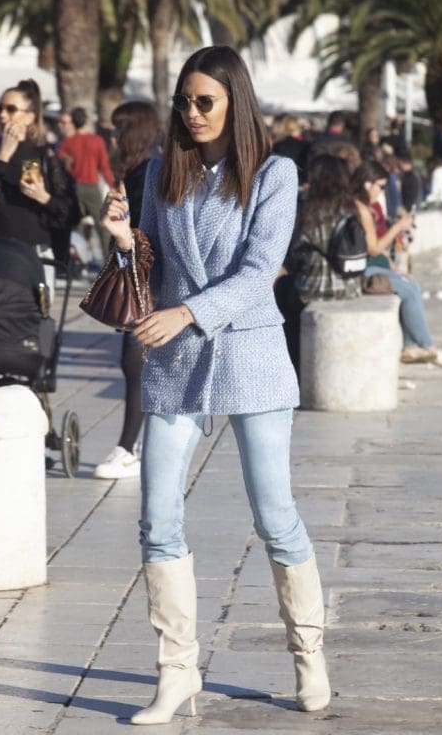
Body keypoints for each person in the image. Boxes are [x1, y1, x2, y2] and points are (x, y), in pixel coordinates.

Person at [100, 45, 331, 725]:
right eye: (185, 102)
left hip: (251, 355)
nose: (193, 113)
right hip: (175, 364)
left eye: (206, 101)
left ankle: (308, 654)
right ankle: (176, 674)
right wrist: (122, 240)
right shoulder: (158, 172)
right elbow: (147, 268)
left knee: (275, 517)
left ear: (236, 102)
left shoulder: (274, 173)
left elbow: (260, 270)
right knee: (156, 518)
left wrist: (188, 313)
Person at [93, 101, 161, 480]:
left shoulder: (146, 173)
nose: (113, 139)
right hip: (141, 278)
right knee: (136, 364)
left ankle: (127, 448)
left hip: (149, 281)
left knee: (135, 363)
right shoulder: (138, 171)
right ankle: (138, 446)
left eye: (118, 131)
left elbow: (144, 233)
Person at [0, 79, 74, 300]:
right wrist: (3, 157)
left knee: (35, 316)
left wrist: (44, 198)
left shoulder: (43, 155)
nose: (2, 115)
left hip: (36, 253)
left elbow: (67, 211)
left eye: (11, 109)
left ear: (29, 117)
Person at [352, 161, 442, 367]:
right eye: (381, 186)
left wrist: (393, 267)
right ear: (366, 184)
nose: (382, 192)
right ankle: (429, 348)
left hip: (371, 266)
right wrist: (398, 227)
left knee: (411, 284)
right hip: (361, 271)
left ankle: (410, 346)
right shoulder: (360, 209)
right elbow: (373, 248)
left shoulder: (368, 207)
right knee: (408, 289)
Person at [276, 154, 361, 374]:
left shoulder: (309, 210)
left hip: (314, 290)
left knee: (283, 292)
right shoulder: (351, 209)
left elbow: (294, 253)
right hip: (350, 287)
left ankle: (293, 366)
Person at [58, 106, 115, 260]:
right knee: (102, 225)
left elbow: (61, 162)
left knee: (73, 225)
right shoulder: (97, 141)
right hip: (91, 186)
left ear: (73, 122)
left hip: (74, 187)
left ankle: (73, 259)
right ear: (86, 121)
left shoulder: (68, 142)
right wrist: (113, 186)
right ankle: (108, 259)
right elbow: (104, 167)